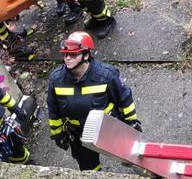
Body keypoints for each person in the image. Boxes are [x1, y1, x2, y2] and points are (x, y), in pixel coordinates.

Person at [47, 31, 141, 171]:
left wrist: (132, 123)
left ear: (86, 55)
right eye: (65, 54)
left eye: (73, 55)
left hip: (109, 128)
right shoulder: (57, 79)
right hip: (79, 134)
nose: (67, 58)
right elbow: (53, 110)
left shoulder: (106, 75)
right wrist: (57, 134)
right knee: (89, 168)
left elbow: (125, 100)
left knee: (133, 157)